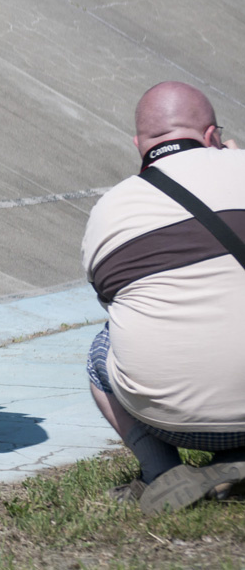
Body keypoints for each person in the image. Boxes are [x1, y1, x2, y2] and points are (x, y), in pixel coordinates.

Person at [82, 81, 245, 514]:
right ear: (212, 136)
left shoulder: (110, 209)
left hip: (170, 418)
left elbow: (117, 304)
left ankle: (161, 471)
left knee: (104, 344)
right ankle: (236, 458)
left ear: (139, 146)